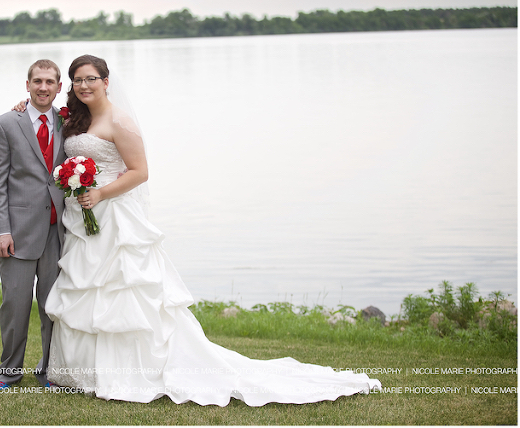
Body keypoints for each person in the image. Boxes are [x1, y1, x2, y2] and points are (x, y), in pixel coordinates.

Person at [20, 54, 381, 406]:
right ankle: (83, 371)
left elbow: (140, 172)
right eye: (78, 80)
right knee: (86, 289)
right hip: (80, 219)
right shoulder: (73, 118)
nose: (84, 85)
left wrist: (100, 193)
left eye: (91, 79)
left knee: (121, 292)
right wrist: (25, 107)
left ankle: (131, 371)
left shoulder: (121, 121)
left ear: (106, 81)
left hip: (114, 216)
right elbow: (44, 118)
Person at [0, 59, 67, 391]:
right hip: (17, 233)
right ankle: (8, 373)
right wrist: (0, 230)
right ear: (28, 85)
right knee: (15, 306)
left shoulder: (68, 122)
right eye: (37, 81)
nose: (43, 87)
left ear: (59, 87)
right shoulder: (6, 124)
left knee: (53, 308)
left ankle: (49, 371)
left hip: (58, 232)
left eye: (50, 82)